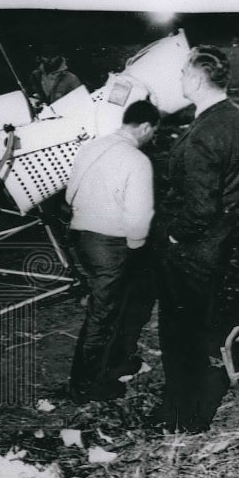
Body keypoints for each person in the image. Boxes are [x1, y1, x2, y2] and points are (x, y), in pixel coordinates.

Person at [149, 45, 239, 433]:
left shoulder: (203, 133)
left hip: (195, 249)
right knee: (204, 327)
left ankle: (181, 416)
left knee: (180, 334)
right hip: (224, 239)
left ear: (196, 79)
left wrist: (176, 237)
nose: (179, 79)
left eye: (183, 73)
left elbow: (198, 207)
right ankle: (193, 406)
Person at [66, 99, 160, 402]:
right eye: (152, 132)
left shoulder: (92, 147)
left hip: (80, 236)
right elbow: (138, 216)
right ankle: (85, 384)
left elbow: (69, 193)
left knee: (111, 306)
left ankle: (115, 361)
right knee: (103, 313)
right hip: (110, 243)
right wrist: (136, 247)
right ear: (145, 127)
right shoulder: (137, 160)